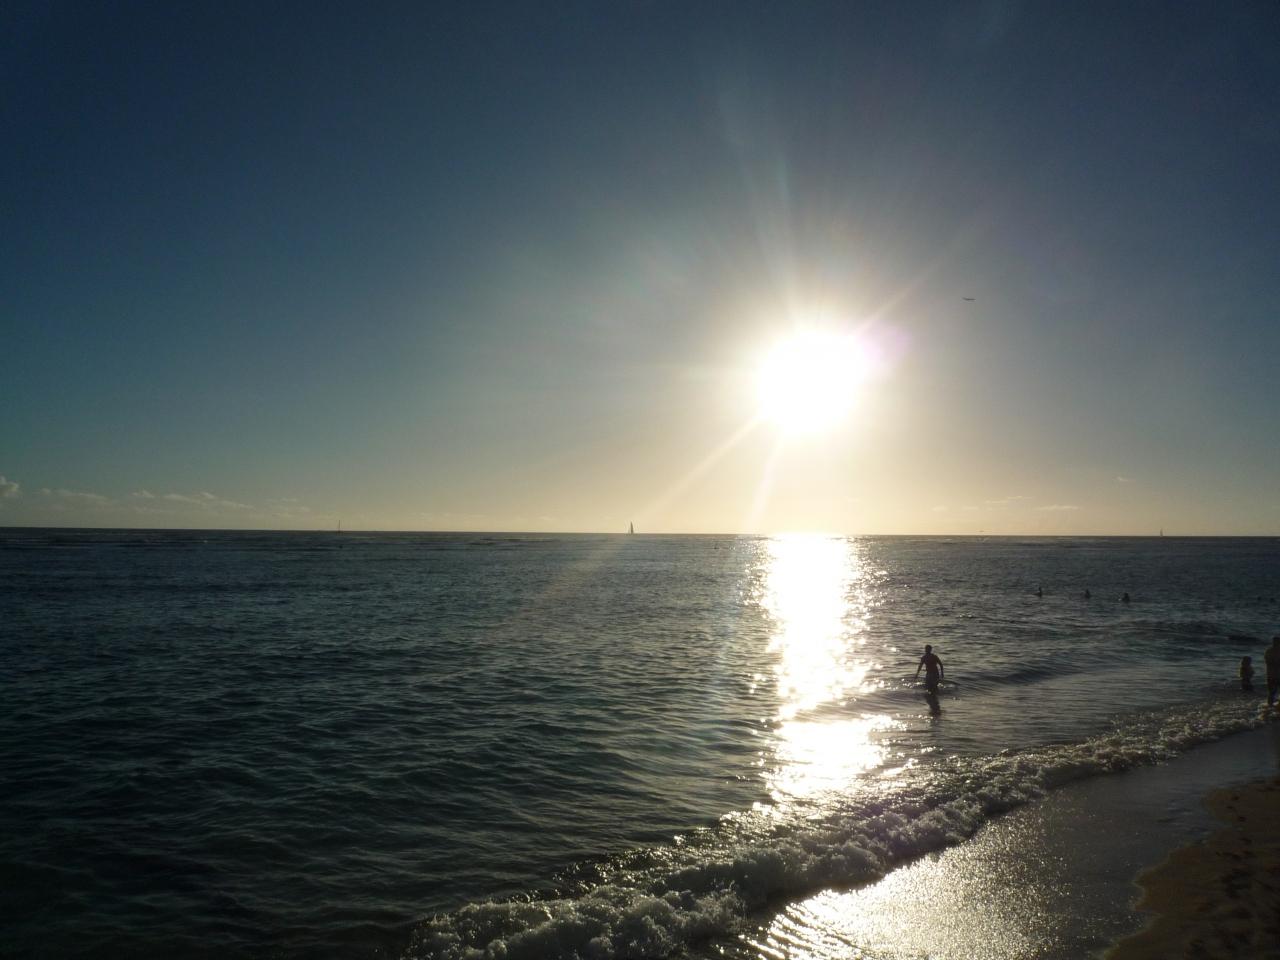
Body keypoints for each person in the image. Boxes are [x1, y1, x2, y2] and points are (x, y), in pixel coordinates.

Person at [1266, 637, 1280, 707]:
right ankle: (1270, 705)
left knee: (1272, 691)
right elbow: (1268, 661)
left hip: (1272, 674)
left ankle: (1271, 705)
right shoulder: (1269, 651)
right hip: (1272, 674)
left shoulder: (1269, 650)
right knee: (1272, 691)